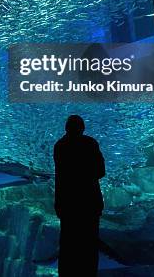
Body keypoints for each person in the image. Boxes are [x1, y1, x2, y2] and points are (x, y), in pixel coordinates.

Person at [54, 115, 105, 276]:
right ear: (82, 128)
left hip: (67, 204)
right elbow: (101, 171)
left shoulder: (60, 146)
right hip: (90, 203)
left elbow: (61, 176)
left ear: (66, 128)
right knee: (89, 247)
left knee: (68, 248)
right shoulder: (90, 143)